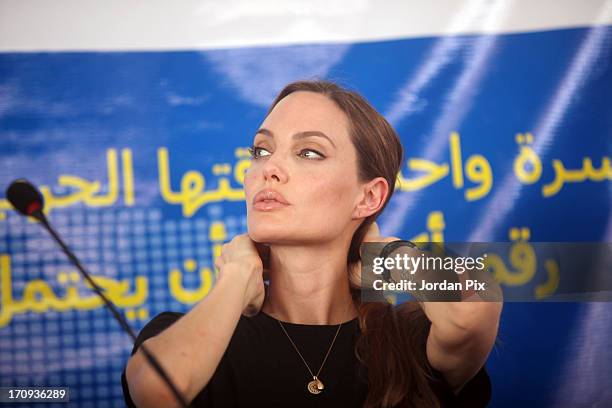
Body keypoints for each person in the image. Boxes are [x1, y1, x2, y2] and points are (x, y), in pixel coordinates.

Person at [121, 80, 502, 407]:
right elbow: (157, 394)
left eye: (308, 152)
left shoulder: (410, 342)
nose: (269, 168)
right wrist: (237, 276)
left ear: (368, 198)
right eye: (261, 150)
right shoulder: (184, 334)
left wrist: (384, 259)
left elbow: (474, 307)